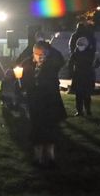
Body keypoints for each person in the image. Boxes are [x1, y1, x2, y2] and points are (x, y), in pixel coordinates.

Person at [17, 40, 66, 168]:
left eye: (42, 53)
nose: (39, 56)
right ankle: (37, 157)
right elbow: (20, 73)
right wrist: (21, 83)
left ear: (47, 53)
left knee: (51, 130)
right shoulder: (28, 63)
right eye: (36, 53)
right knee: (37, 130)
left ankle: (51, 157)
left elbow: (61, 60)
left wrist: (49, 47)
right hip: (35, 102)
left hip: (50, 102)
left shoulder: (52, 64)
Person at [67, 28, 97, 117]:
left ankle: (88, 110)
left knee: (87, 95)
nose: (80, 46)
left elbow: (95, 63)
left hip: (87, 76)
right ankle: (79, 111)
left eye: (82, 44)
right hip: (78, 76)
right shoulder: (75, 53)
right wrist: (71, 73)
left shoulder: (90, 53)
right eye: (79, 45)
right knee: (79, 95)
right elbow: (70, 63)